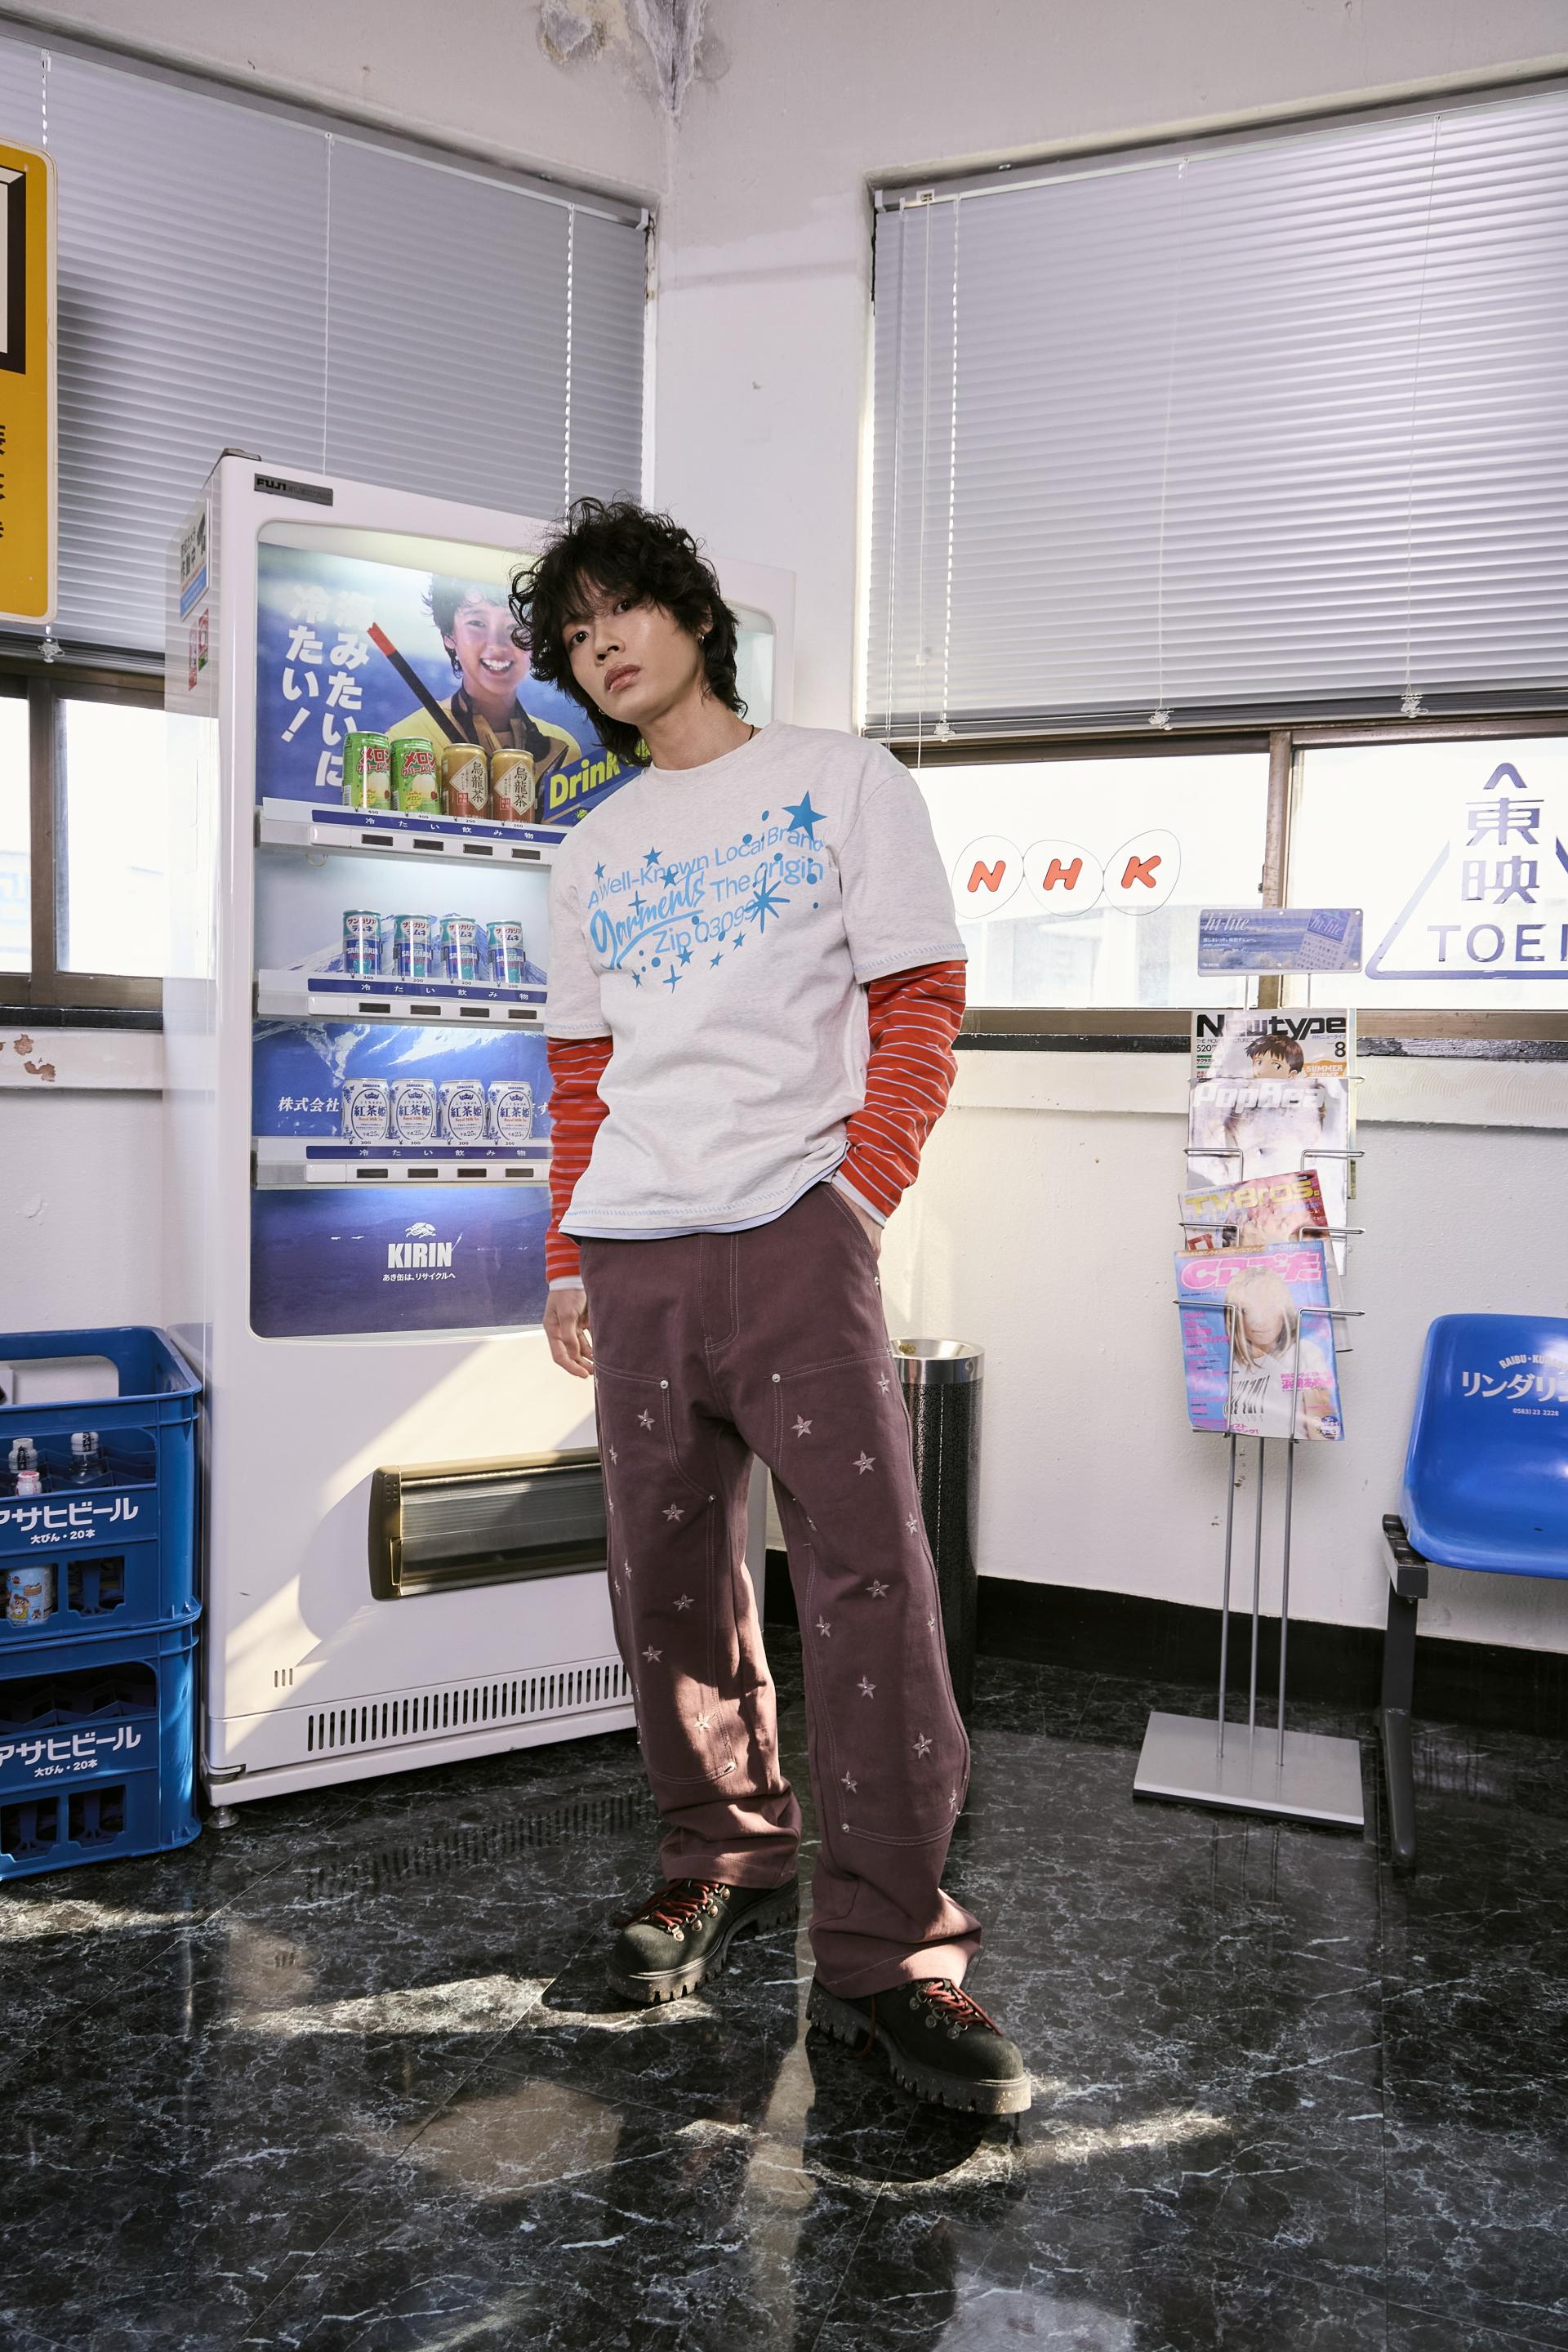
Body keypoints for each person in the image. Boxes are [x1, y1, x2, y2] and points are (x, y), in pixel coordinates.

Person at [512, 497, 1030, 2118]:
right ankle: (719, 1857)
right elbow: (582, 1077)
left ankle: (891, 1951)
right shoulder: (590, 853)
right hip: (638, 1252)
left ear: (693, 616)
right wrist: (567, 1255)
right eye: (574, 633)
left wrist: (855, 1193)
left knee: (869, 1580)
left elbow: (920, 999)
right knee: (667, 1583)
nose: (601, 643)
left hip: (797, 1234)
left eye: (622, 608)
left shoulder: (842, 779)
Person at [388, 575, 581, 779]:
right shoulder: (407, 739)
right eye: (477, 623)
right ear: (449, 636)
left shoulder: (565, 750)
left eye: (515, 626)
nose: (496, 645)